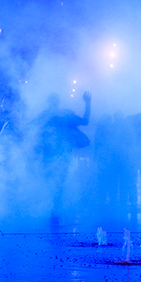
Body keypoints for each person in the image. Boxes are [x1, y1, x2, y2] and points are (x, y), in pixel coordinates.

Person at [37, 91, 91, 224]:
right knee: (58, 183)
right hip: (61, 154)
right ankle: (54, 209)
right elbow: (85, 121)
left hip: (52, 154)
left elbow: (30, 128)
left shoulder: (45, 115)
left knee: (52, 182)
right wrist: (88, 103)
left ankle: (53, 210)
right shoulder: (65, 114)